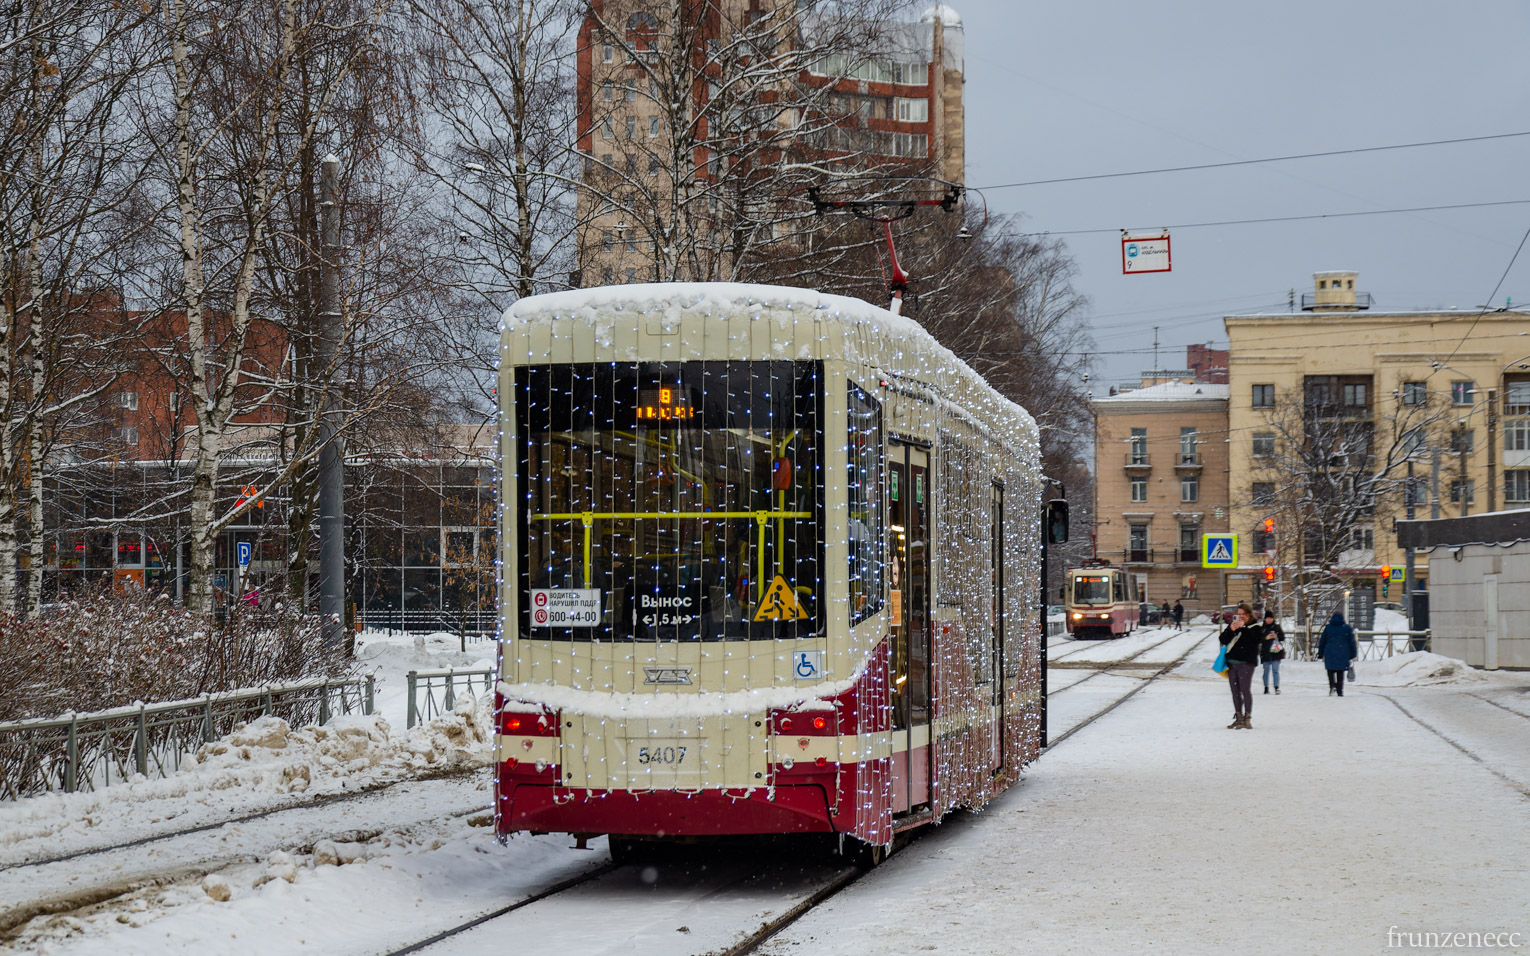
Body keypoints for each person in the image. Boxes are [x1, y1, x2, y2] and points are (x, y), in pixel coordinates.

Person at [1218, 602, 1263, 729]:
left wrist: (1243, 628)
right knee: (1235, 691)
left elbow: (1254, 641)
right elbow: (1222, 639)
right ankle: (1238, 716)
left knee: (1244, 689)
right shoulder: (1234, 625)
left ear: (1249, 614)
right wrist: (1231, 630)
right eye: (1239, 614)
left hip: (1246, 663)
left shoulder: (1255, 627)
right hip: (1232, 663)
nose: (1241, 616)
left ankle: (1247, 718)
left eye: (1243, 614)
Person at [1318, 612, 1358, 697]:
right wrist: (1353, 654)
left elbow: (1322, 641)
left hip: (1330, 652)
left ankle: (1332, 686)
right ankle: (1340, 690)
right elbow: (1352, 642)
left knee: (1330, 671)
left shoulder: (1328, 628)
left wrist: (1320, 653)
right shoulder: (1347, 628)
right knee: (1340, 672)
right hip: (1343, 653)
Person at [1260, 610, 1285, 694]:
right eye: (1267, 618)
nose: (1269, 620)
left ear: (1273, 619)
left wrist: (1277, 636)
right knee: (1266, 670)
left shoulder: (1277, 627)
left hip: (1276, 652)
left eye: (1270, 618)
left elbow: (1282, 637)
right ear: (1265, 619)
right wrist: (1265, 638)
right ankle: (1266, 687)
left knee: (1275, 670)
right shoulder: (1262, 628)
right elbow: (1258, 639)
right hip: (1265, 652)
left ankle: (1276, 687)